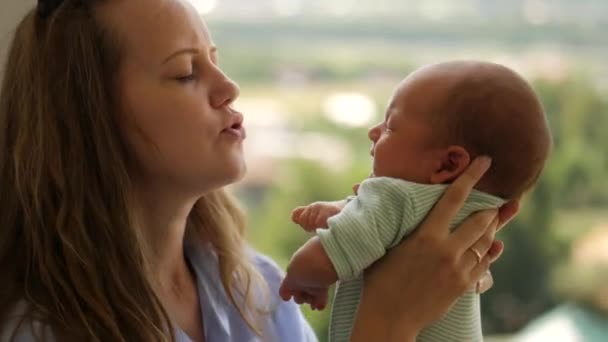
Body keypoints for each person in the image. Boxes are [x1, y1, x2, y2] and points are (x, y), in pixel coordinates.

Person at [0, 0, 518, 341]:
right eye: (185, 72)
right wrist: (389, 319)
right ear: (90, 118)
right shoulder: (43, 330)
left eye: (215, 59)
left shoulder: (259, 292)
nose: (228, 87)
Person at [279, 61, 552, 342]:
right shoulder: (477, 211)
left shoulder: (395, 197)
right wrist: (343, 212)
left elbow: (319, 261)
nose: (374, 132)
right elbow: (392, 226)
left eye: (390, 126)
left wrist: (301, 279)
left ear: (448, 164)